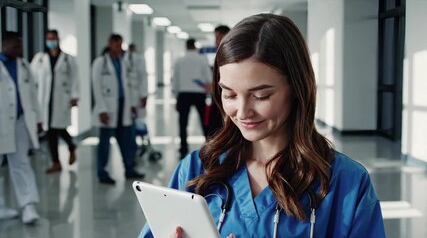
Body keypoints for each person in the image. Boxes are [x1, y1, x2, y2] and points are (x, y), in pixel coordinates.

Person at [139, 14, 386, 238]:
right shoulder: (196, 169)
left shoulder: (346, 183)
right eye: (229, 94)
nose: (243, 112)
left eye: (261, 96)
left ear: (298, 89)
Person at [92, 34, 144, 185]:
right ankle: (102, 173)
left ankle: (129, 169)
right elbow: (96, 88)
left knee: (126, 141)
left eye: (121, 44)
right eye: (116, 44)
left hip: (124, 106)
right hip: (108, 108)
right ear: (109, 44)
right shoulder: (100, 63)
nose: (119, 47)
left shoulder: (124, 62)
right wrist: (101, 109)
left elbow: (130, 85)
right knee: (104, 143)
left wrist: (133, 104)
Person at [0, 31, 41, 224]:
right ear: (4, 45)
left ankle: (28, 206)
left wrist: (39, 118)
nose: (19, 49)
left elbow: (33, 94)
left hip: (20, 122)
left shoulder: (24, 65)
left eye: (20, 45)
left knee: (21, 164)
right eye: (15, 46)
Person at [30, 29, 79, 174]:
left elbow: (75, 78)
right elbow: (32, 79)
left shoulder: (67, 59)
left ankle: (70, 147)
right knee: (51, 130)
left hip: (60, 99)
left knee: (57, 128)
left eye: (53, 38)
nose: (51, 41)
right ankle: (57, 161)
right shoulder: (40, 58)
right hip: (44, 99)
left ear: (58, 39)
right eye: (48, 38)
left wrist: (74, 96)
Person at [172, 38, 211, 159]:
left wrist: (176, 96)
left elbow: (175, 80)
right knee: (204, 121)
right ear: (194, 46)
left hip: (184, 94)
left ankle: (183, 147)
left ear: (186, 46)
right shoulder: (202, 60)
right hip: (199, 94)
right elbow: (208, 78)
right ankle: (210, 145)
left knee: (183, 122)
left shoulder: (179, 61)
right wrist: (208, 92)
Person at [204, 25, 230, 138]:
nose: (215, 42)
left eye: (218, 38)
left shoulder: (231, 56)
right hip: (217, 96)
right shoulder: (220, 55)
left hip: (224, 97)